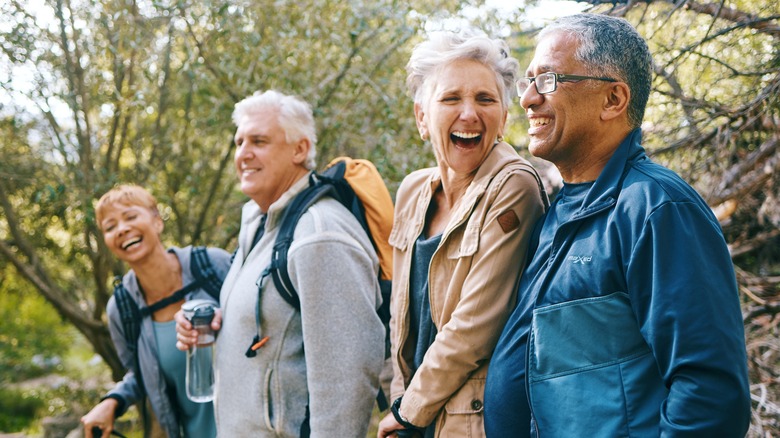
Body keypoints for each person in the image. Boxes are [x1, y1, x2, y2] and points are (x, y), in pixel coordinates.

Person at [485, 13, 752, 437]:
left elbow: (711, 394)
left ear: (613, 100)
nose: (528, 99)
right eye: (528, 81)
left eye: (549, 80)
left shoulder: (656, 208)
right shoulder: (560, 210)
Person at [175, 90, 385, 437]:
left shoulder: (319, 234)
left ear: (300, 149)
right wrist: (211, 317)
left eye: (259, 141)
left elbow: (348, 376)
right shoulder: (261, 224)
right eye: (239, 142)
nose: (243, 154)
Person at [377, 29, 548, 438]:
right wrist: (401, 406)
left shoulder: (514, 187)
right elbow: (401, 322)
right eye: (451, 98)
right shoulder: (412, 191)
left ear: (504, 118)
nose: (469, 114)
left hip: (473, 423)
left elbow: (474, 327)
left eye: (485, 99)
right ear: (422, 116)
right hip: (414, 416)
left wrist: (407, 411)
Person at [80, 184, 232, 438]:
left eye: (130, 217)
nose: (122, 229)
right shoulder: (122, 308)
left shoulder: (212, 266)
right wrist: (113, 401)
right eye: (110, 227)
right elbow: (141, 374)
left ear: (157, 222)